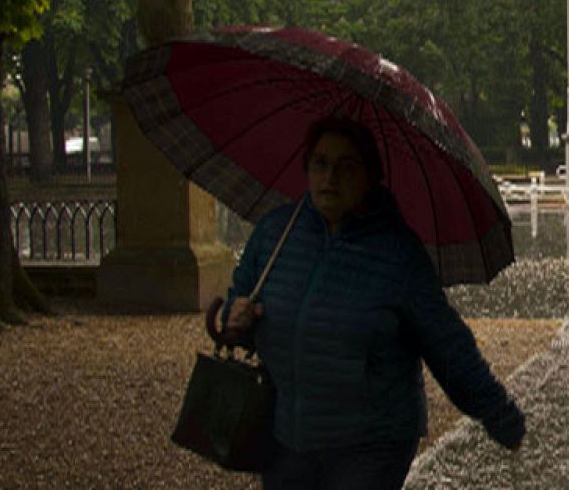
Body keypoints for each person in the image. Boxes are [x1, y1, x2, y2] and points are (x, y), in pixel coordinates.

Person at [222, 116, 525, 490]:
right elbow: (240, 301)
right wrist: (231, 320)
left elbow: (448, 345)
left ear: (370, 178)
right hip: (288, 439)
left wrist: (500, 415)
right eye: (320, 163)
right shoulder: (275, 235)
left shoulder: (398, 254)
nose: (330, 178)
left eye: (347, 167)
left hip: (370, 444)